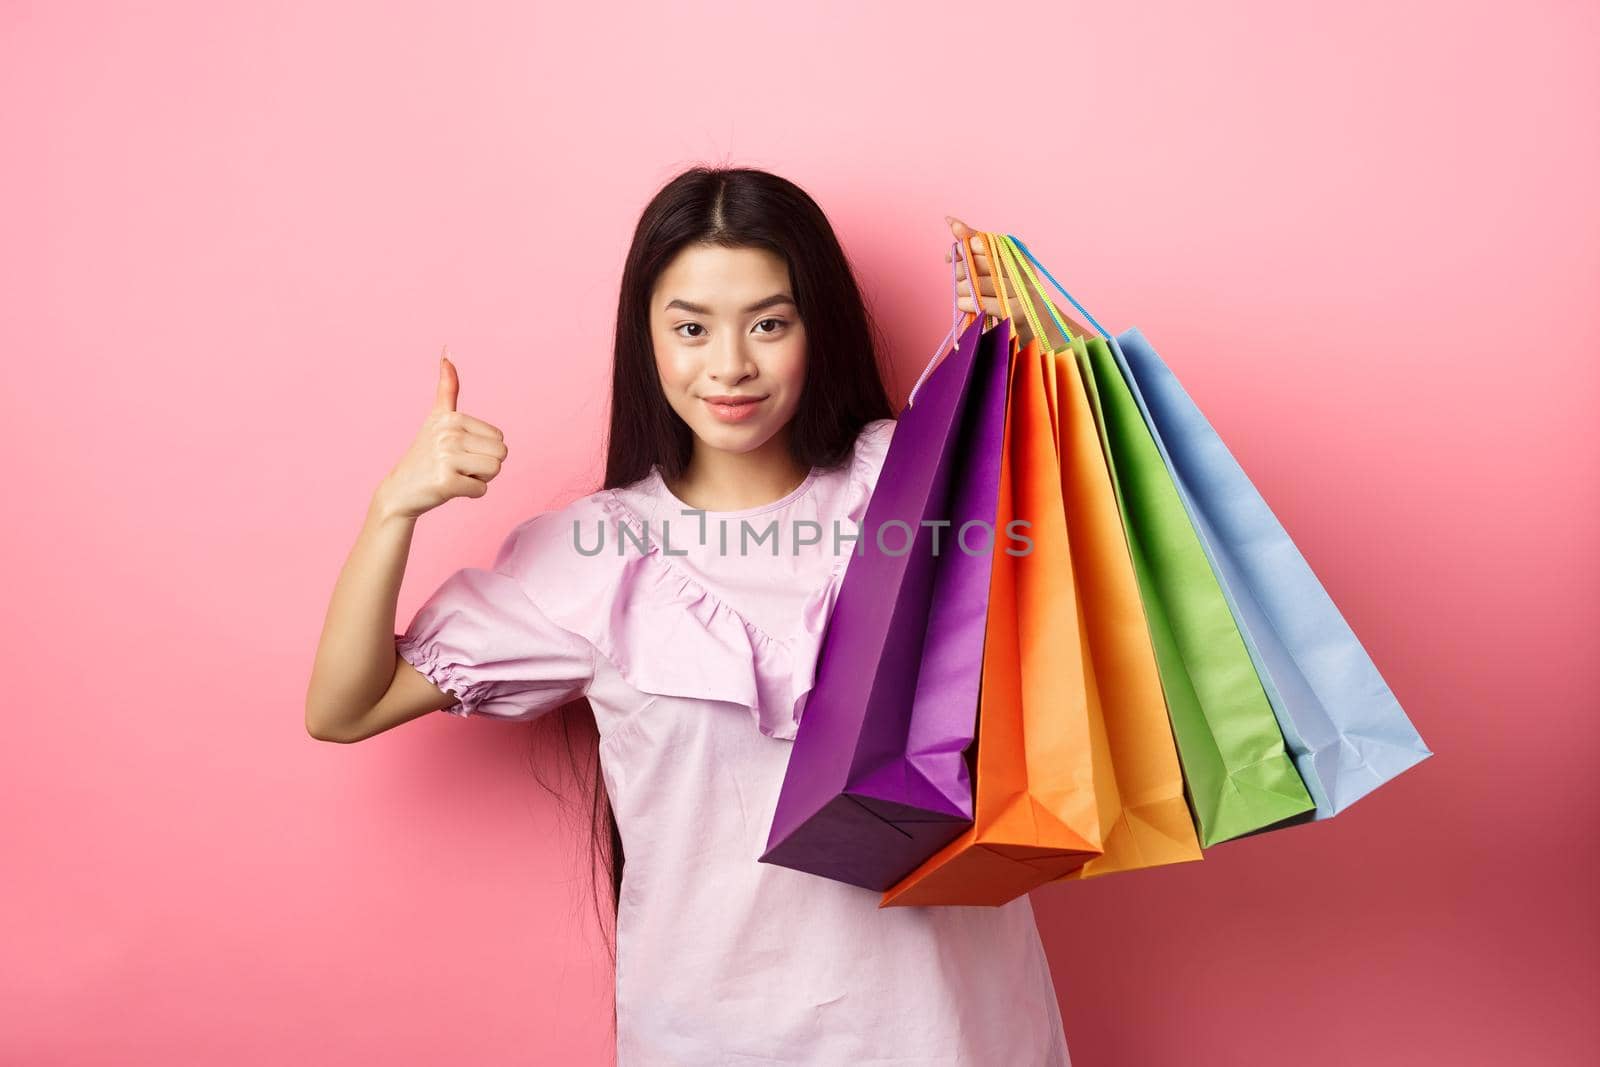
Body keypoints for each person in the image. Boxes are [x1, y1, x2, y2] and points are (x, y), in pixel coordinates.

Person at [304, 166, 1074, 1065]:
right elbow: (345, 707)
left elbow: (1091, 585)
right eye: (692, 328)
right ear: (648, 339)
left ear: (813, 330)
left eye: (769, 323)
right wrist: (393, 507)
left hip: (949, 1029)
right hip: (716, 1036)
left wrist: (1026, 365)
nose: (730, 364)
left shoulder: (907, 482)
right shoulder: (594, 555)